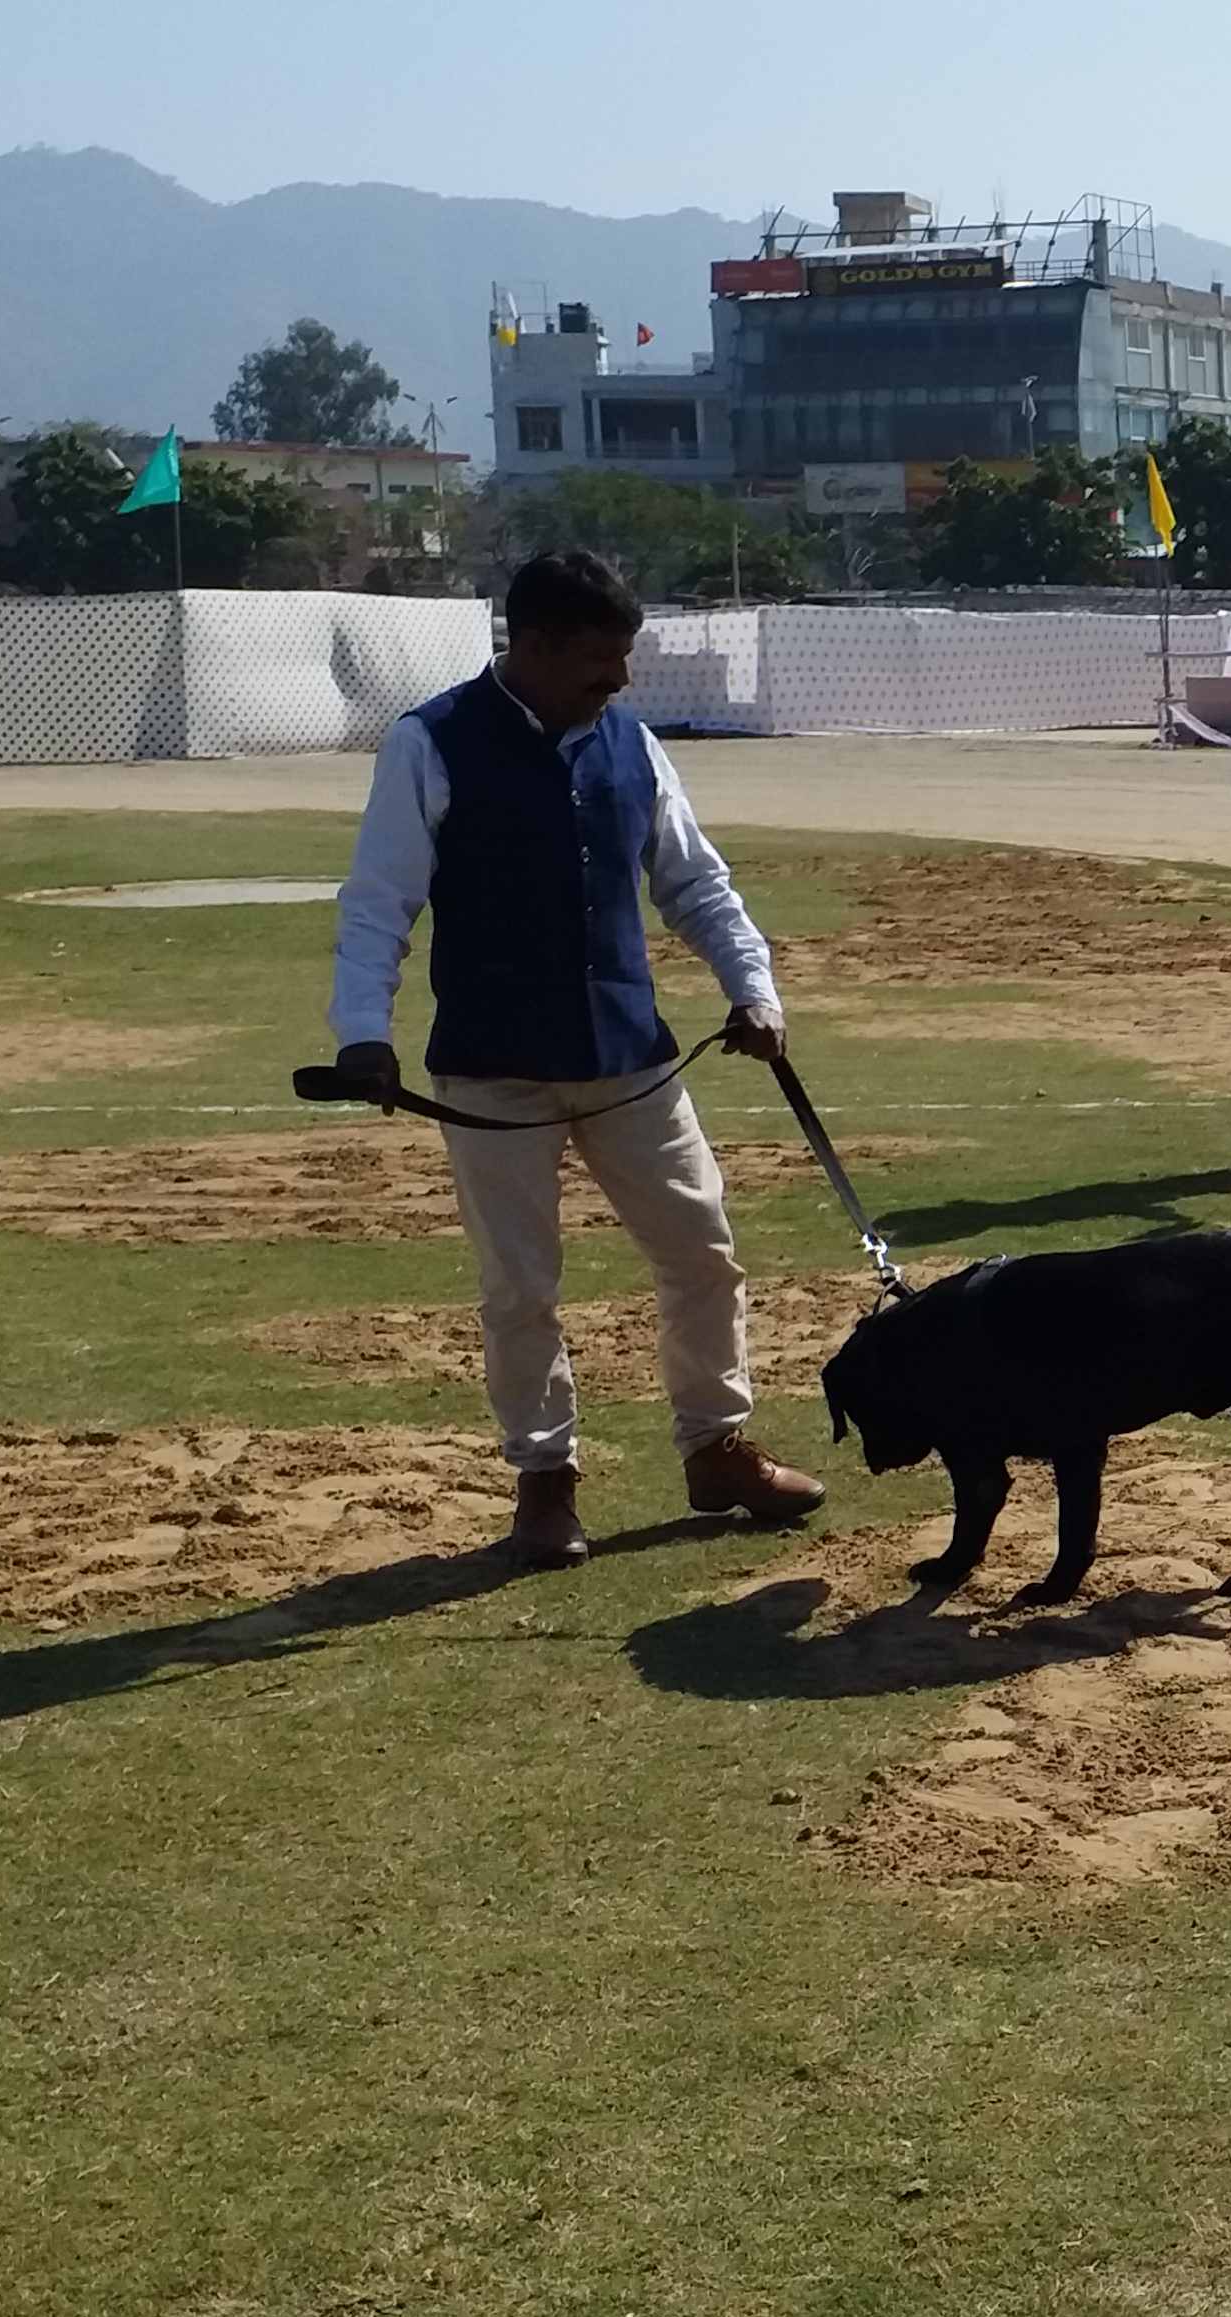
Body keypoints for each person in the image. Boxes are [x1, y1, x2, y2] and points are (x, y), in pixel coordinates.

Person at [328, 548, 830, 1567]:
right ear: (534, 644)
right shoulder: (429, 744)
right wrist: (361, 1035)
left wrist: (754, 989)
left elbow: (696, 885)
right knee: (521, 1288)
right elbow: (380, 901)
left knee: (703, 1255)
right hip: (489, 1071)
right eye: (602, 661)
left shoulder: (632, 745)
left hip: (631, 1061)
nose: (622, 682)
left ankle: (716, 1448)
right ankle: (545, 1482)